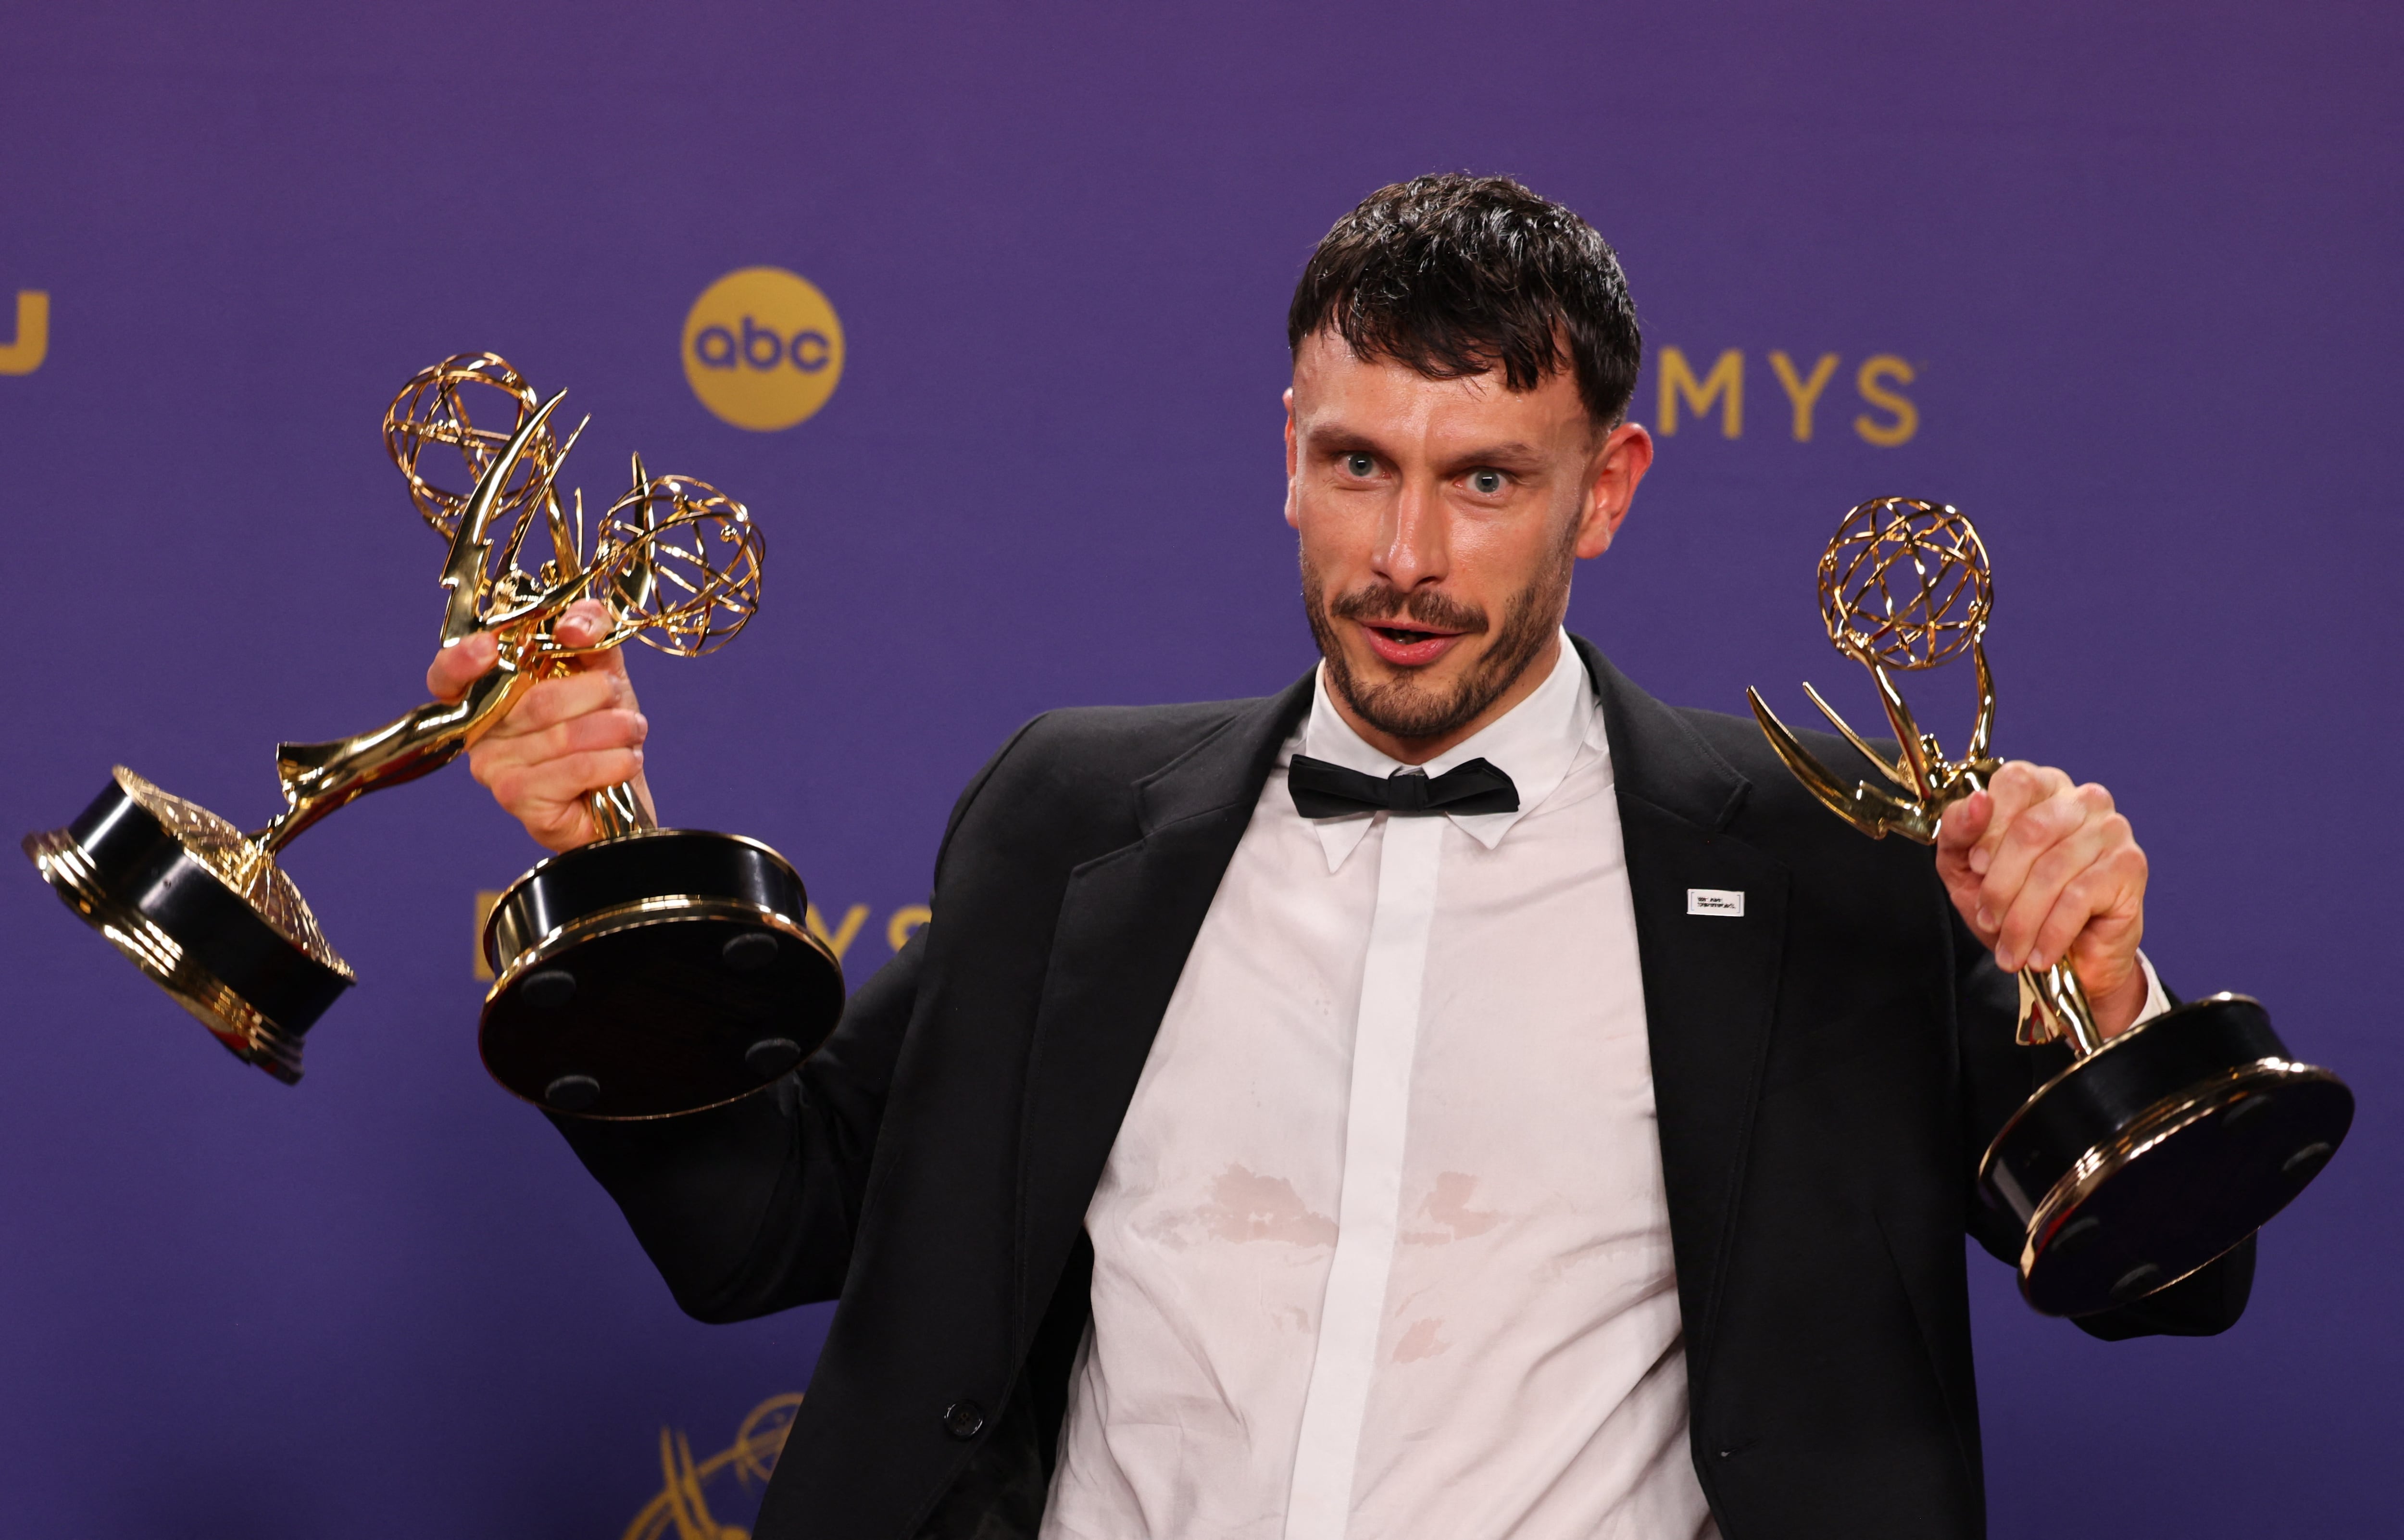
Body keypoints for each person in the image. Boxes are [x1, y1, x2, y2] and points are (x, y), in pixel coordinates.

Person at [426, 175, 2247, 1540]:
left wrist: (2100, 1001)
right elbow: (770, 1222)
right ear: (1287, 458)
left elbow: (2166, 1277)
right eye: (1360, 462)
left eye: (1485, 479)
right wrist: (602, 855)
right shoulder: (1072, 815)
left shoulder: (1832, 847)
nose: (1406, 556)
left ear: (1603, 491)